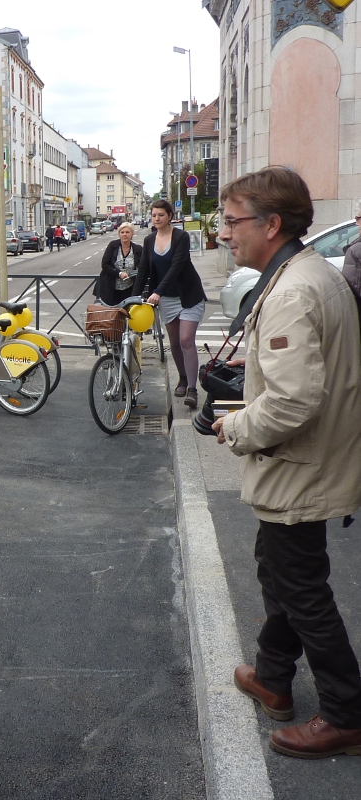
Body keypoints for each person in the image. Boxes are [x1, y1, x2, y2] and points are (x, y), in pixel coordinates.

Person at [212, 166, 361, 758]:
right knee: (280, 572)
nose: (224, 233)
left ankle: (346, 711)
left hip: (301, 465)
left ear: (271, 225)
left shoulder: (295, 288)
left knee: (301, 589)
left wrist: (235, 425)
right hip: (309, 462)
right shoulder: (308, 272)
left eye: (232, 221)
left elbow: (294, 400)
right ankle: (273, 676)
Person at [132, 199, 206, 408]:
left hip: (188, 296)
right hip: (168, 300)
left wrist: (157, 292)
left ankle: (192, 390)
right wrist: (134, 297)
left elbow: (177, 266)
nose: (156, 218)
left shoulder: (181, 237)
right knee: (174, 342)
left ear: (170, 216)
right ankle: (182, 377)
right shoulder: (149, 240)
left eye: (161, 215)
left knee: (185, 340)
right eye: (154, 215)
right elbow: (144, 269)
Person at [98, 222, 142, 305]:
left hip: (129, 288)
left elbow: (143, 266)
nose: (124, 234)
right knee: (113, 315)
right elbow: (105, 264)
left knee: (127, 314)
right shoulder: (113, 245)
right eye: (122, 232)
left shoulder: (138, 249)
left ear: (132, 234)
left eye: (127, 232)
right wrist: (119, 273)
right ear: (119, 234)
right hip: (111, 288)